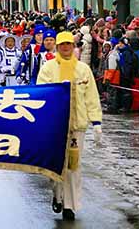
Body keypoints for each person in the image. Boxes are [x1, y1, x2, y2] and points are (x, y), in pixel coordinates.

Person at [37, 31, 103, 221]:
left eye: (69, 44)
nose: (66, 48)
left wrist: (96, 122)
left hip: (77, 126)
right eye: (62, 45)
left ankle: (70, 205)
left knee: (73, 166)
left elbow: (91, 97)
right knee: (57, 164)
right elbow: (41, 95)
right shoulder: (48, 68)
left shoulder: (83, 69)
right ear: (57, 47)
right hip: (55, 126)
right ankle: (58, 195)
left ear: (73, 46)